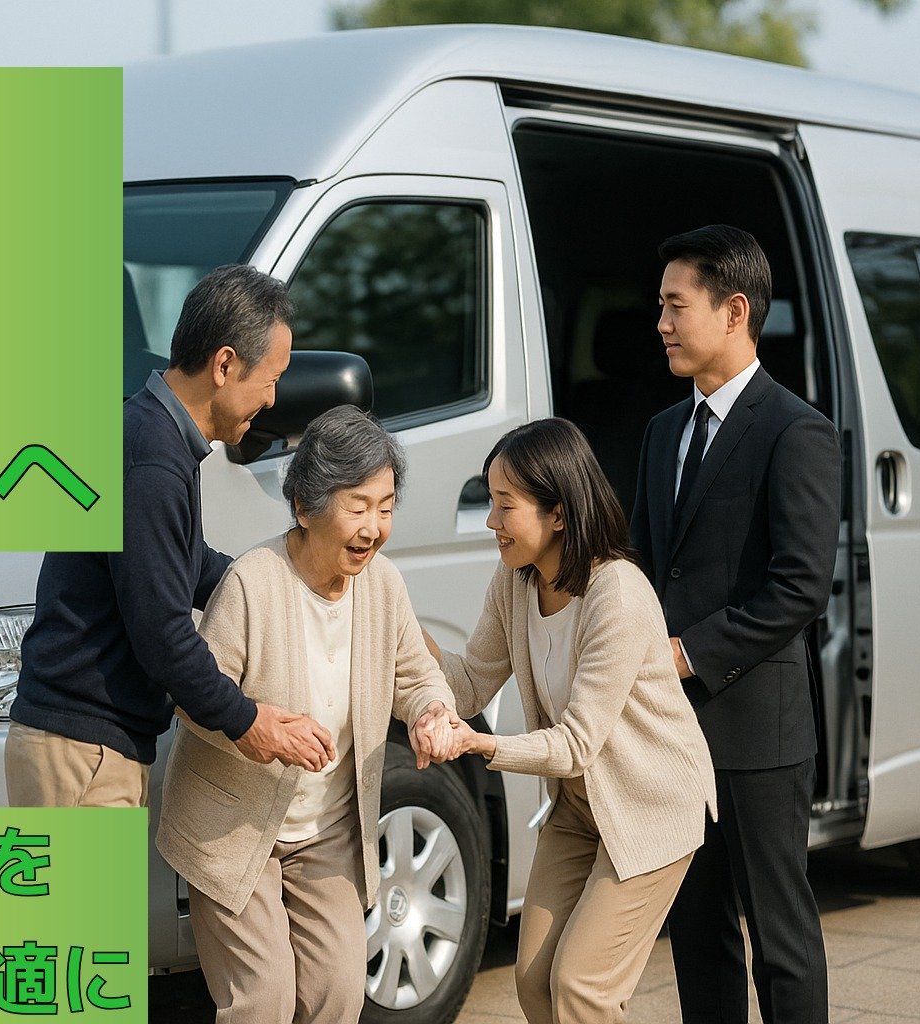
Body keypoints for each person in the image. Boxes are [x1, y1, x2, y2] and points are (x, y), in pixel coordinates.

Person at [156, 405, 458, 1024]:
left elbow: (416, 673)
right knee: (262, 1001)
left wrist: (431, 712)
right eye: (358, 506)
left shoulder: (383, 586)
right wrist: (260, 730)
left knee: (338, 996)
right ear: (304, 507)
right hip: (235, 831)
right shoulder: (252, 583)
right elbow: (193, 699)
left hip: (327, 830)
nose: (374, 527)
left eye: (385, 507)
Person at [5, 264, 334, 808]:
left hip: (81, 745)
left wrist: (281, 584)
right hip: (83, 751)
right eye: (270, 379)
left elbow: (187, 562)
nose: (273, 400)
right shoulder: (152, 460)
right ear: (224, 365)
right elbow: (162, 632)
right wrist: (245, 721)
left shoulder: (149, 433)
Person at [429, 417, 717, 1024]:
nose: (491, 521)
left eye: (505, 505)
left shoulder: (618, 593)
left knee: (582, 986)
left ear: (558, 513)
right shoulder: (515, 582)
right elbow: (471, 680)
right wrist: (398, 630)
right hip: (579, 809)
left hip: (649, 808)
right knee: (534, 981)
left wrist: (480, 744)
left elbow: (576, 745)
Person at [631, 225, 841, 1024]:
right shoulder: (661, 432)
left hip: (759, 733)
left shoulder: (796, 430)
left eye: (674, 306)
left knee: (781, 941)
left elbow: (799, 588)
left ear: (734, 311)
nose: (660, 323)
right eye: (660, 307)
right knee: (697, 935)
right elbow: (644, 569)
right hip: (672, 732)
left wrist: (687, 654)